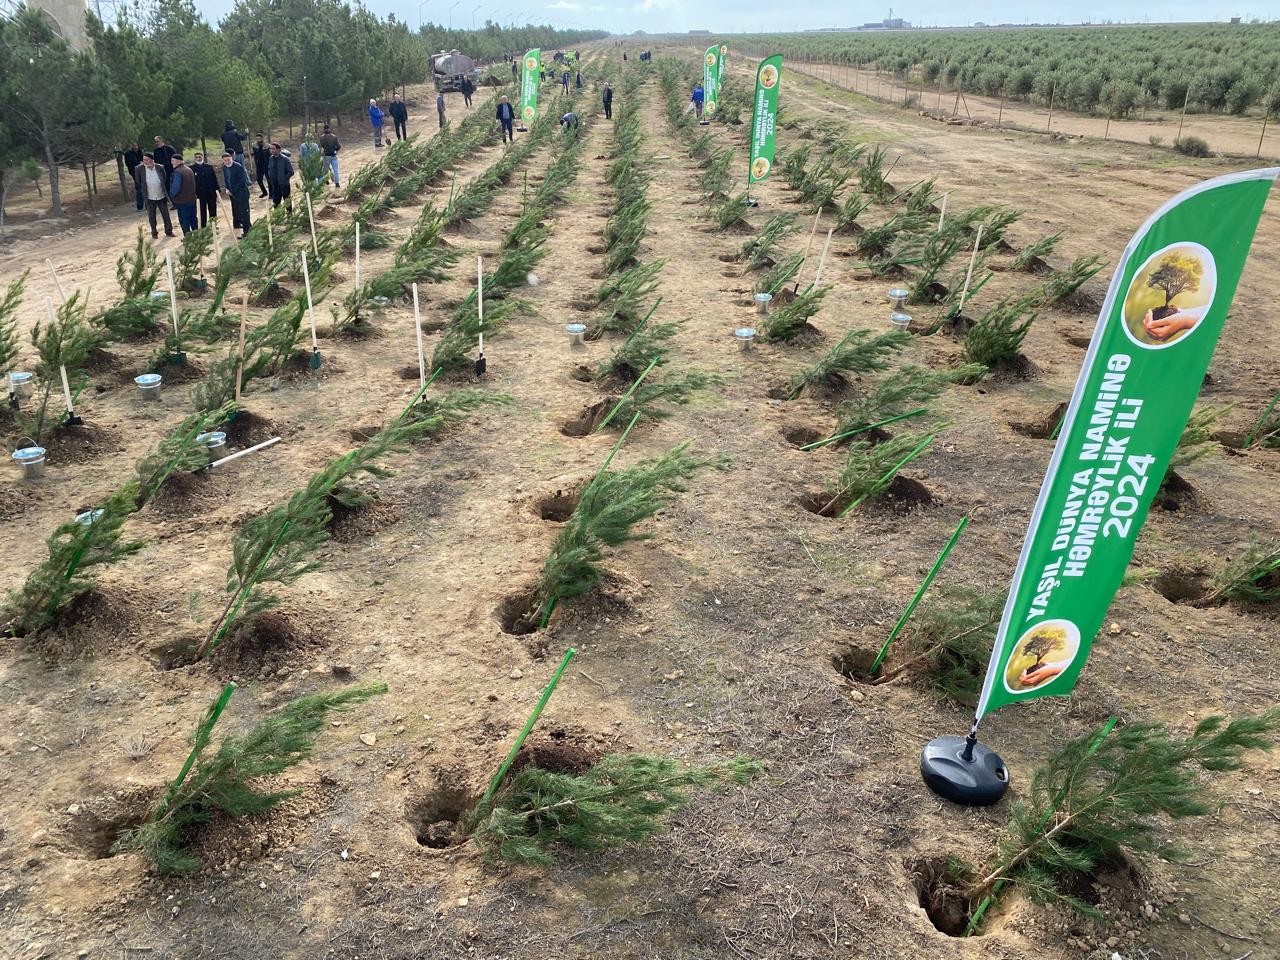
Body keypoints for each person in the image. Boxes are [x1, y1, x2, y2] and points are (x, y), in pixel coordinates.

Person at [134, 152, 174, 238]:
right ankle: (154, 233)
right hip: (149, 197)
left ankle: (169, 231)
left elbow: (164, 178)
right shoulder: (139, 169)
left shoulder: (160, 167)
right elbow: (138, 181)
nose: (144, 161)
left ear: (152, 160)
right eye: (144, 159)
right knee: (151, 217)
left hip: (161, 195)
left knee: (166, 215)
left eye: (146, 160)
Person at [220, 151, 251, 237]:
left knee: (244, 212)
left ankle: (247, 232)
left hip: (241, 193)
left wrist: (232, 190)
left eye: (228, 159)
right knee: (238, 212)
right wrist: (227, 189)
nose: (227, 162)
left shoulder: (238, 167)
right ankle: (248, 227)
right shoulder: (225, 168)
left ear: (232, 158)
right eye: (225, 160)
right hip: (233, 194)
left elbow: (242, 181)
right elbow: (227, 179)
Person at [167, 155, 198, 235]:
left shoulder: (178, 172)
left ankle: (188, 238)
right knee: (193, 219)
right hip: (192, 199)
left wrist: (172, 195)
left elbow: (176, 188)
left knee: (184, 221)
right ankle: (197, 236)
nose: (171, 163)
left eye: (173, 161)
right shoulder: (189, 169)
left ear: (178, 161)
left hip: (182, 201)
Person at [190, 152, 219, 228]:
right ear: (194, 158)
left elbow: (214, 179)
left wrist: (217, 189)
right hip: (199, 194)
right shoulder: (191, 168)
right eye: (197, 157)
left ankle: (213, 225)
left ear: (202, 157)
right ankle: (203, 225)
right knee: (202, 210)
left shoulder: (209, 167)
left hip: (210, 192)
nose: (198, 158)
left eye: (200, 157)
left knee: (213, 209)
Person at [267, 141, 293, 210]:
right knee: (276, 204)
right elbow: (269, 169)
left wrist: (284, 179)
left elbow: (291, 172)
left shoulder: (285, 159)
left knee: (287, 204)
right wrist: (270, 177)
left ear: (278, 150)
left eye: (273, 149)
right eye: (270, 149)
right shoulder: (270, 158)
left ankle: (290, 218)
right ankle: (278, 219)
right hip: (275, 186)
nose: (271, 150)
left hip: (284, 186)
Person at [318, 124, 341, 189]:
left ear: (324, 129)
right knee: (335, 170)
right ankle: (337, 183)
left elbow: (321, 146)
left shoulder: (321, 137)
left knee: (325, 170)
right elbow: (339, 146)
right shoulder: (334, 136)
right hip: (334, 155)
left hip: (326, 156)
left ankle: (326, 180)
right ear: (329, 129)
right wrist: (336, 151)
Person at [123, 142, 144, 211]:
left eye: (136, 145)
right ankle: (140, 206)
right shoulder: (128, 154)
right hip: (135, 173)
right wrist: (138, 163)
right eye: (134, 145)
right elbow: (129, 163)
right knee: (139, 189)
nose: (135, 147)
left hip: (143, 171)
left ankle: (148, 205)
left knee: (145, 187)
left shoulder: (141, 152)